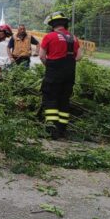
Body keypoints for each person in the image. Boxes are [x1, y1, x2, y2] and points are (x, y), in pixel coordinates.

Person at [38, 12, 82, 140]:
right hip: (69, 74)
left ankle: (52, 130)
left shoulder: (49, 36)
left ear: (52, 25)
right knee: (64, 100)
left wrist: (50, 66)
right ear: (64, 24)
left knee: (51, 98)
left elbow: (41, 56)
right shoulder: (74, 38)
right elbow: (79, 57)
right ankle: (62, 130)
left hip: (54, 73)